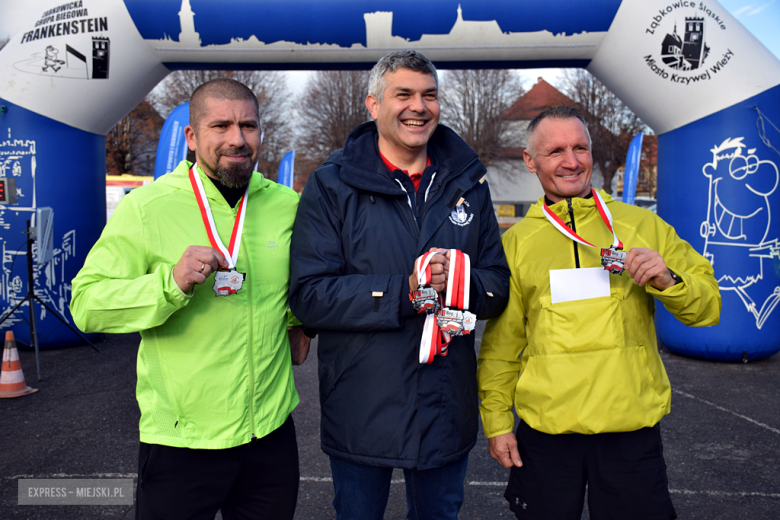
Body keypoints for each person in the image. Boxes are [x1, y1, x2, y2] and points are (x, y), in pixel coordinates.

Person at [71, 78, 310, 520]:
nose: (237, 139)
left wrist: (299, 321)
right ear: (191, 136)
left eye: (248, 126)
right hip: (182, 443)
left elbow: (298, 283)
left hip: (269, 437)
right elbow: (86, 304)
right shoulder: (147, 208)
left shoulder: (286, 206)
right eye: (220, 125)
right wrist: (170, 284)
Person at [289, 50, 510, 520]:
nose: (419, 106)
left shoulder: (469, 184)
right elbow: (309, 297)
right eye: (403, 94)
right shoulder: (331, 185)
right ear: (373, 105)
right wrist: (404, 291)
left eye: (429, 95)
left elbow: (498, 286)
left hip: (445, 408)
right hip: (361, 406)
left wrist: (462, 284)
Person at [477, 106, 721, 520]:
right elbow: (502, 346)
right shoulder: (516, 244)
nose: (571, 161)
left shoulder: (643, 226)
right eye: (555, 151)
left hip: (630, 435)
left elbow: (708, 307)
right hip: (547, 436)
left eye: (580, 148)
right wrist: (497, 421)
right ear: (530, 161)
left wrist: (668, 279)